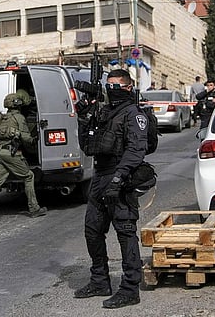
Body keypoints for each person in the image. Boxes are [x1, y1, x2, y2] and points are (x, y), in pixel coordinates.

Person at [74, 69, 148, 309]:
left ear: (128, 88)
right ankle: (99, 281)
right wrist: (83, 119)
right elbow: (88, 146)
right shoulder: (104, 113)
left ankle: (130, 288)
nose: (111, 89)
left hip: (120, 177)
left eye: (116, 85)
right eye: (109, 85)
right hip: (100, 177)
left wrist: (119, 177)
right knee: (92, 230)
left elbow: (136, 149)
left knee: (125, 232)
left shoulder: (133, 114)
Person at [0, 92, 47, 224]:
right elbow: (26, 138)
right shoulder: (19, 117)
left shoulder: (1, 118)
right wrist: (38, 136)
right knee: (29, 176)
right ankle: (34, 209)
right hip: (11, 154)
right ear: (18, 104)